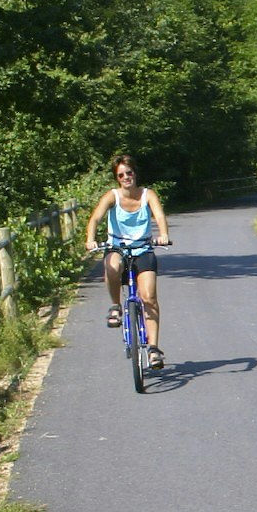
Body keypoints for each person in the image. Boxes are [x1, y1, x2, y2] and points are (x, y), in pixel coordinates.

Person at [85, 154, 172, 369]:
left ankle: (153, 349)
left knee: (149, 296)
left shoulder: (147, 195)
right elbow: (95, 218)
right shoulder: (112, 196)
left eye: (129, 173)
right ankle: (115, 306)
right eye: (121, 175)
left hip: (143, 248)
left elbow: (159, 216)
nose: (126, 177)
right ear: (117, 178)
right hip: (118, 247)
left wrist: (163, 234)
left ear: (135, 173)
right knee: (112, 267)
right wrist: (90, 239)